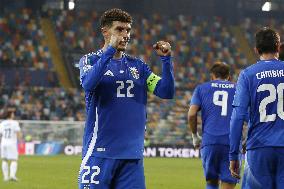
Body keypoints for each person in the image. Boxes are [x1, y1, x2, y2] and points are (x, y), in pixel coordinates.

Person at [78, 8, 175, 189]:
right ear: (105, 32)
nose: (125, 35)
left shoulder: (138, 66)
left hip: (132, 158)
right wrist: (109, 52)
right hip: (99, 153)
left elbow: (166, 92)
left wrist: (166, 61)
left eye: (128, 30)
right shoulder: (89, 60)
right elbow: (88, 84)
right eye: (119, 29)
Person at [229, 27, 284, 189]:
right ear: (278, 47)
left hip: (259, 148)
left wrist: (234, 155)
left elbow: (237, 117)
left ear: (256, 50)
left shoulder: (248, 74)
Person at [188, 62, 238, 189]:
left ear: (212, 76)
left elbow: (192, 114)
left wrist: (195, 136)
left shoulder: (201, 88)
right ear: (229, 77)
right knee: (229, 181)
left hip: (209, 141)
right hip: (231, 142)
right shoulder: (238, 88)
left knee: (211, 182)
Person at [0, 111, 21, 181]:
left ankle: (6, 177)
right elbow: (18, 133)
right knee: (14, 160)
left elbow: (1, 134)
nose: (14, 115)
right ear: (10, 115)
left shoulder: (2, 123)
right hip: (11, 143)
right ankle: (12, 176)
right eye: (13, 114)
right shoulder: (15, 123)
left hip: (3, 143)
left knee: (4, 160)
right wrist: (20, 141)